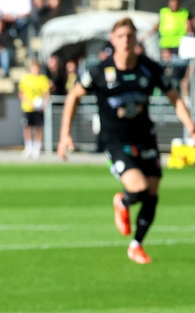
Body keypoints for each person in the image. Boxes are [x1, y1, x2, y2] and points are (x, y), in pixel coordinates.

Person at [58, 17, 195, 265]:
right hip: (116, 140)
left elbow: (174, 97)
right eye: (121, 36)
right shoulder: (100, 71)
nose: (126, 41)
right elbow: (73, 95)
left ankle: (136, 245)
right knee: (139, 188)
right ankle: (122, 200)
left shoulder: (149, 68)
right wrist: (64, 133)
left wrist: (191, 127)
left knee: (152, 194)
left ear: (136, 40)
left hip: (146, 138)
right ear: (113, 40)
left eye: (130, 36)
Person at [18, 59, 49, 157]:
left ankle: (37, 148)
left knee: (38, 128)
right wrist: (28, 102)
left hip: (38, 108)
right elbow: (21, 93)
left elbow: (46, 93)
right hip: (27, 107)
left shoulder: (43, 79)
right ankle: (28, 147)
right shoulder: (26, 78)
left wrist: (44, 104)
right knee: (27, 127)